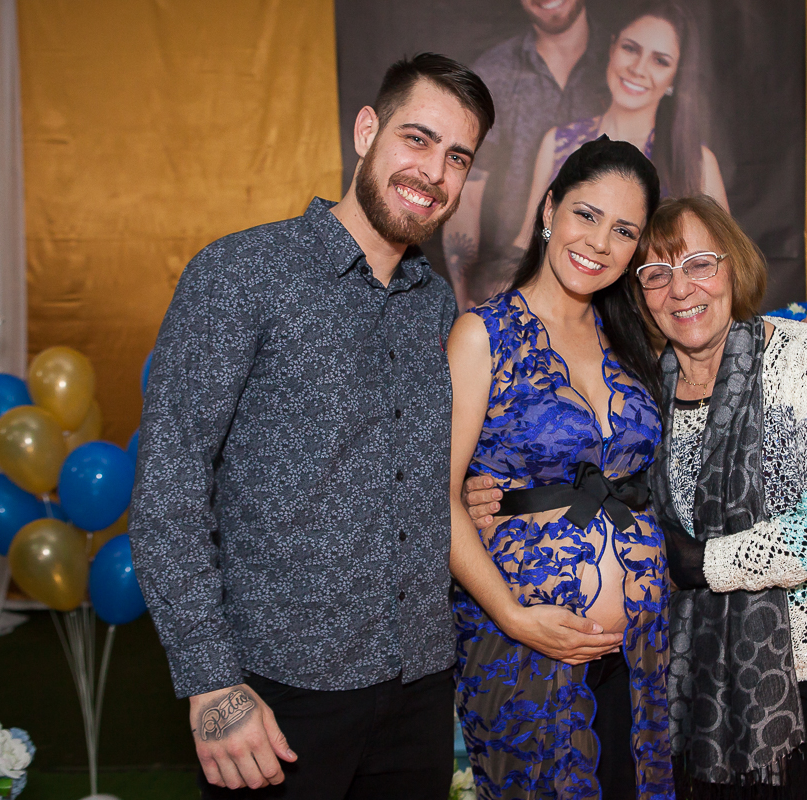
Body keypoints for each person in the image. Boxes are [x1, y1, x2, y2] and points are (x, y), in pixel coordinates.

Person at [128, 53, 496, 799]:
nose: (433, 172)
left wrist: (462, 498)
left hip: (418, 686)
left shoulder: (433, 303)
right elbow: (169, 487)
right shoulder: (241, 273)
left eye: (457, 157)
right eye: (417, 140)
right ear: (367, 130)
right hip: (279, 695)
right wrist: (211, 684)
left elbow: (395, 469)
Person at [467, 195, 807, 798]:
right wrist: (487, 489)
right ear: (637, 292)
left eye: (699, 263)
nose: (681, 289)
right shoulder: (646, 388)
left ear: (733, 266)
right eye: (656, 274)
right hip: (705, 685)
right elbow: (592, 475)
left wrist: (700, 564)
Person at [447, 136, 673, 800]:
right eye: (587, 214)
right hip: (521, 646)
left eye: (624, 230)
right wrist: (517, 618)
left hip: (640, 654)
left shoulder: (632, 343)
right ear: (550, 210)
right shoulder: (482, 334)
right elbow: (437, 500)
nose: (601, 242)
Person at [511, 0, 728, 252]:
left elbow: (722, 265)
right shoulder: (557, 142)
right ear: (612, 47)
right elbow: (526, 243)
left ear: (675, 76)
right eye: (630, 49)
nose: (638, 68)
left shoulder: (697, 163)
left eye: (660, 61)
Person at [441, 0, 609, 309]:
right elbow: (468, 191)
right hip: (511, 287)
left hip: (606, 291)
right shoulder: (494, 73)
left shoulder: (623, 59)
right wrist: (465, 299)